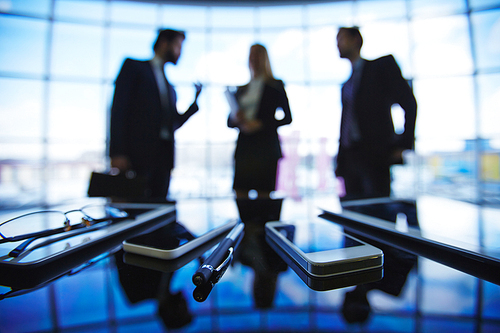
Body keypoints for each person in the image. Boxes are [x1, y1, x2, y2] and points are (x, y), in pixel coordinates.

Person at [109, 28, 202, 201]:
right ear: (164, 43)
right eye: (178, 46)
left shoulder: (170, 88)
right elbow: (118, 109)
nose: (180, 52)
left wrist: (194, 103)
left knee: (159, 208)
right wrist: (117, 152)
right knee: (134, 209)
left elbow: (172, 124)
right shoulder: (134, 67)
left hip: (163, 159)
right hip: (136, 157)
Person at [335, 27, 417, 201]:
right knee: (353, 216)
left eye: (341, 38)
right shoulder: (346, 84)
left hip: (375, 155)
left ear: (356, 39)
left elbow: (409, 103)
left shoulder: (381, 67)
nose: (338, 44)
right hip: (350, 158)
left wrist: (403, 143)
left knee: (378, 213)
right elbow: (345, 123)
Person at [228, 44, 292, 199]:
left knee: (264, 198)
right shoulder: (242, 89)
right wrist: (237, 119)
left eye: (257, 54)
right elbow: (229, 122)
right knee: (241, 194)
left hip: (266, 148)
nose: (254, 58)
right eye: (251, 54)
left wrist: (261, 124)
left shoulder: (275, 86)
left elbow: (288, 117)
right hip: (245, 148)